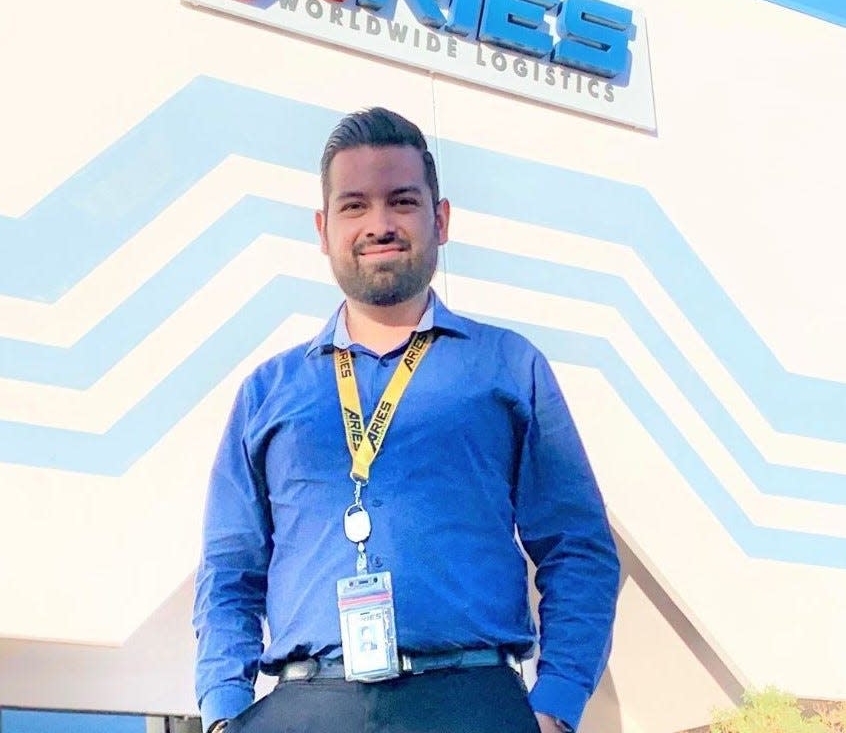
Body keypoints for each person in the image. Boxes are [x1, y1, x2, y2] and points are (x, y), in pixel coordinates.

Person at [193, 108, 620, 733]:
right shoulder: (268, 392)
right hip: (305, 707)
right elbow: (230, 566)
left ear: (439, 219)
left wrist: (556, 703)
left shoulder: (508, 367)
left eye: (402, 201)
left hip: (470, 702)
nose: (381, 225)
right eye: (354, 206)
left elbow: (576, 547)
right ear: (323, 228)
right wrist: (224, 711)